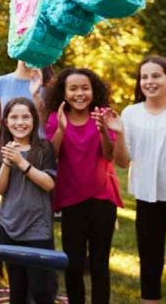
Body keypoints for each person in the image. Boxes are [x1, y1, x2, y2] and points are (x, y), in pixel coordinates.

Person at [103, 55, 166, 303]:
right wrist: (118, 133)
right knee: (149, 265)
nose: (149, 81)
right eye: (144, 77)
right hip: (148, 200)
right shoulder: (131, 113)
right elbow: (124, 162)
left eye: (155, 76)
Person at [44, 68, 123, 304]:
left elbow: (109, 156)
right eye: (74, 88)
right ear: (64, 93)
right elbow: (52, 156)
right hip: (71, 199)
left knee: (100, 262)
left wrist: (102, 131)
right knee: (74, 263)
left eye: (85, 88)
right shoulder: (55, 118)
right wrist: (60, 129)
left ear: (93, 90)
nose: (80, 93)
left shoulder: (103, 116)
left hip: (102, 198)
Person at [0, 97, 57, 304]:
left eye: (26, 117)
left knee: (40, 288)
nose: (20, 122)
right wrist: (8, 163)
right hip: (10, 225)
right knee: (17, 288)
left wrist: (22, 162)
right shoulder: (2, 149)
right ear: (6, 122)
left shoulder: (44, 148)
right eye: (14, 117)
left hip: (38, 227)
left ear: (34, 120)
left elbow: (49, 183)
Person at [0, 61, 54, 132]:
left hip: (39, 142)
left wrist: (36, 96)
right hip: (9, 142)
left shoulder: (48, 86)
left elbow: (49, 127)